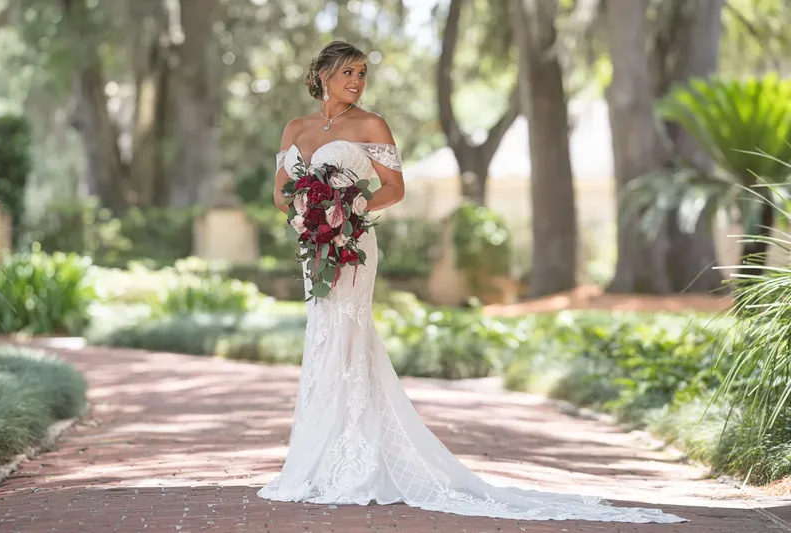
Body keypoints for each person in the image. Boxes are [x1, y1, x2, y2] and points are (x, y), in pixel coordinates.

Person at [258, 40, 684, 524]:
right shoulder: (295, 129)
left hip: (353, 245)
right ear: (323, 75)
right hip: (313, 246)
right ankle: (319, 454)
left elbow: (394, 188)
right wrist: (310, 213)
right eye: (348, 72)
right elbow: (280, 195)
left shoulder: (371, 124)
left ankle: (356, 460)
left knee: (350, 337)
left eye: (362, 73)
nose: (357, 81)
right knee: (322, 337)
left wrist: (350, 210)